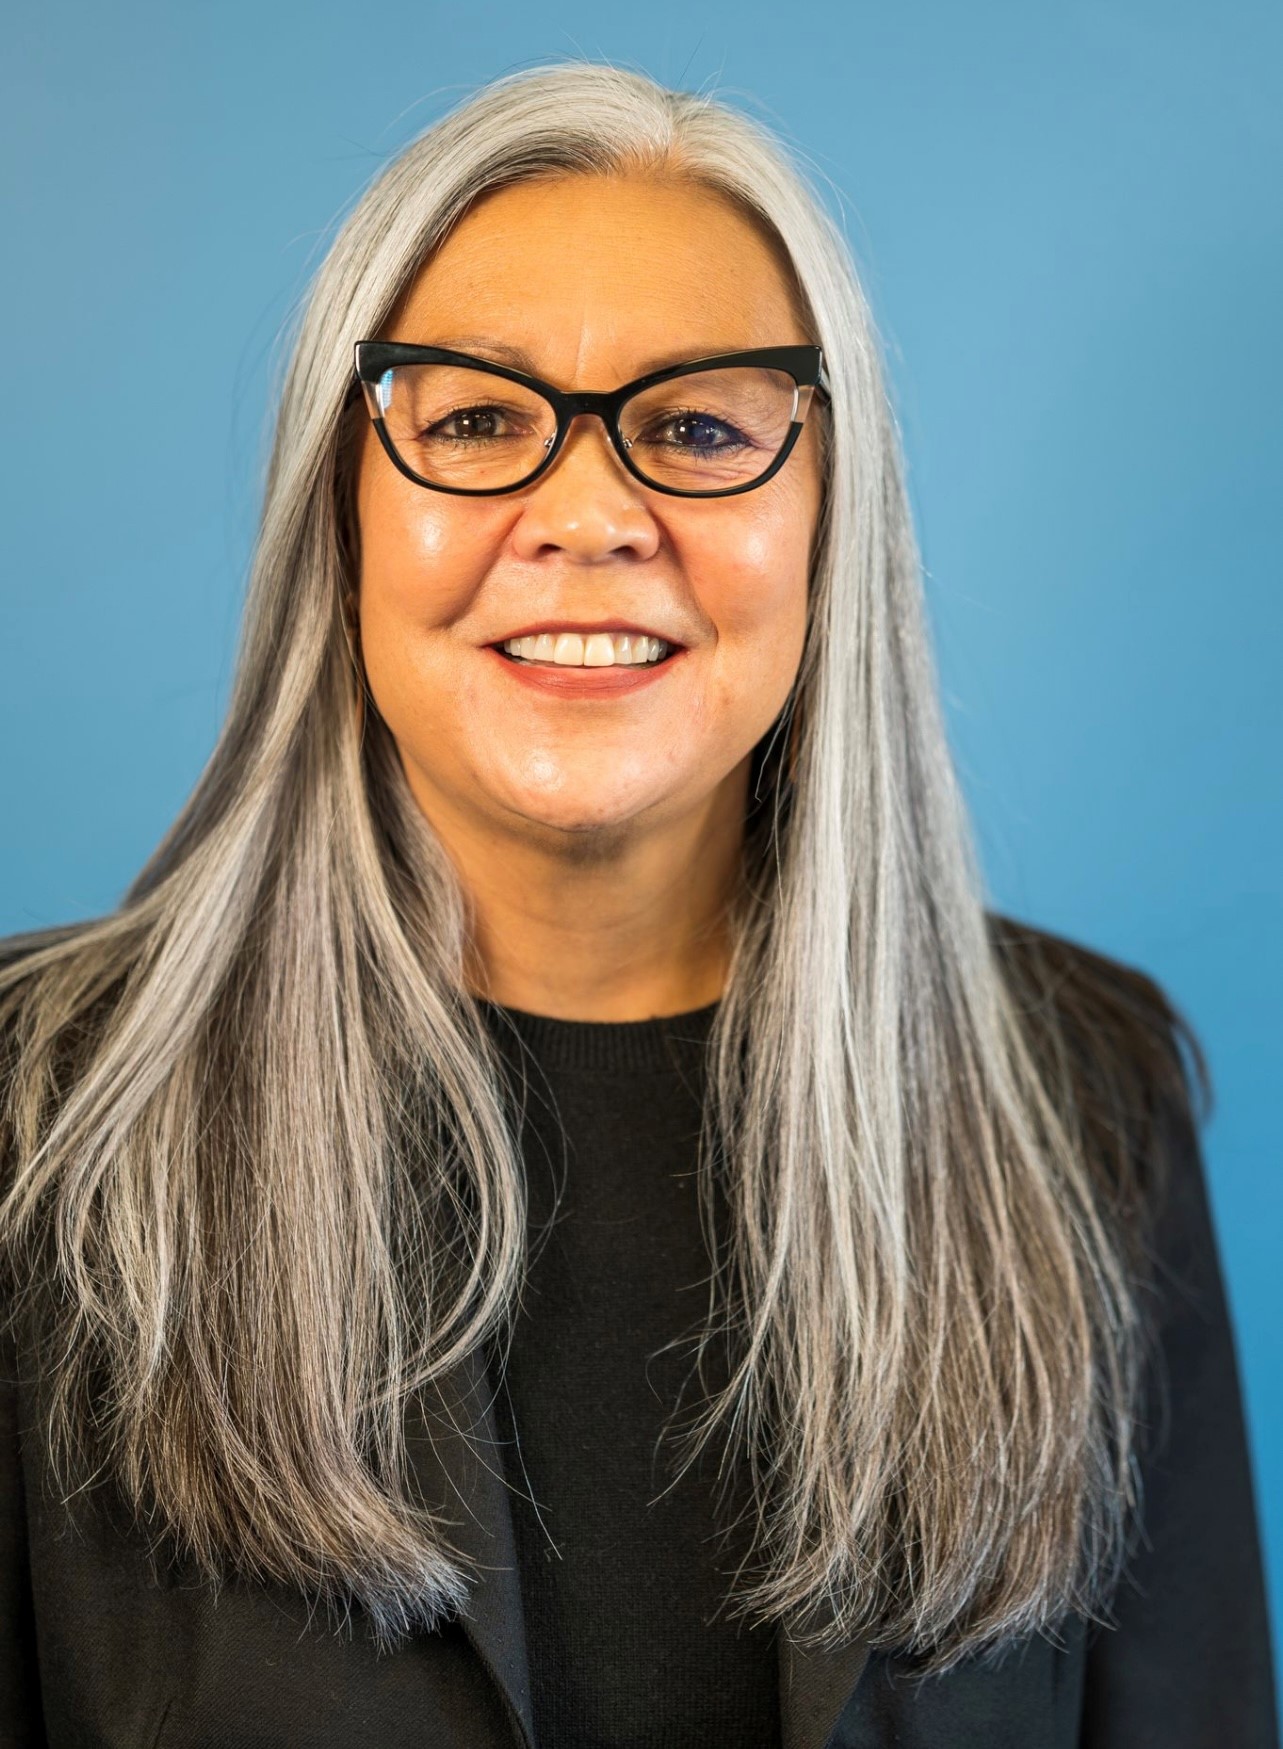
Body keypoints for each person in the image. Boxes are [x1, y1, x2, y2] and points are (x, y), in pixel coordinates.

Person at [0, 60, 1276, 1749]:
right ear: (343, 515)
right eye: (470, 420)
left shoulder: (1082, 1103)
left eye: (696, 427)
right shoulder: (38, 1112)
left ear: (832, 522)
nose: (592, 516)